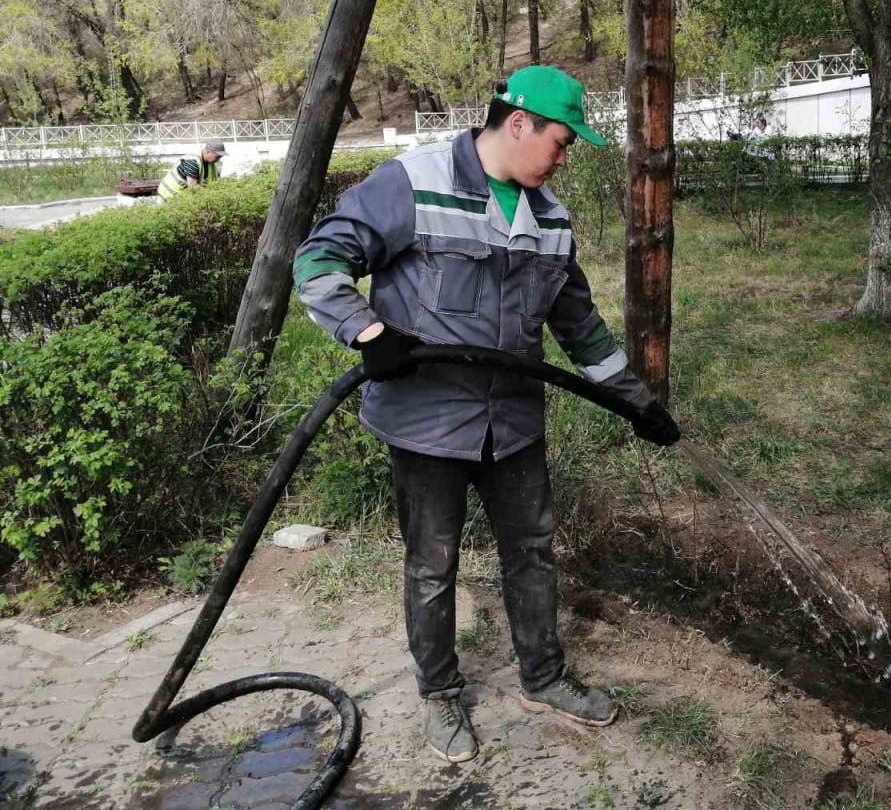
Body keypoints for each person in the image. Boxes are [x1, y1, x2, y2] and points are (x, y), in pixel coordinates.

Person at [292, 64, 680, 765]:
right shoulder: (414, 183)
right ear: (520, 122)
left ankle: (544, 677)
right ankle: (439, 693)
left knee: (532, 554)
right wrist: (369, 335)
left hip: (514, 424)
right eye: (561, 142)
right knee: (432, 566)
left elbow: (580, 327)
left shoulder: (550, 218)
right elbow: (318, 261)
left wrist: (637, 403)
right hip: (426, 423)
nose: (563, 157)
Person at [157, 139, 225, 202]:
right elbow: (193, 187)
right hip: (168, 195)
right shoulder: (192, 161)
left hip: (181, 199)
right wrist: (213, 193)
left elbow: (213, 183)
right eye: (217, 157)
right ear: (208, 152)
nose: (218, 160)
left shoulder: (211, 164)